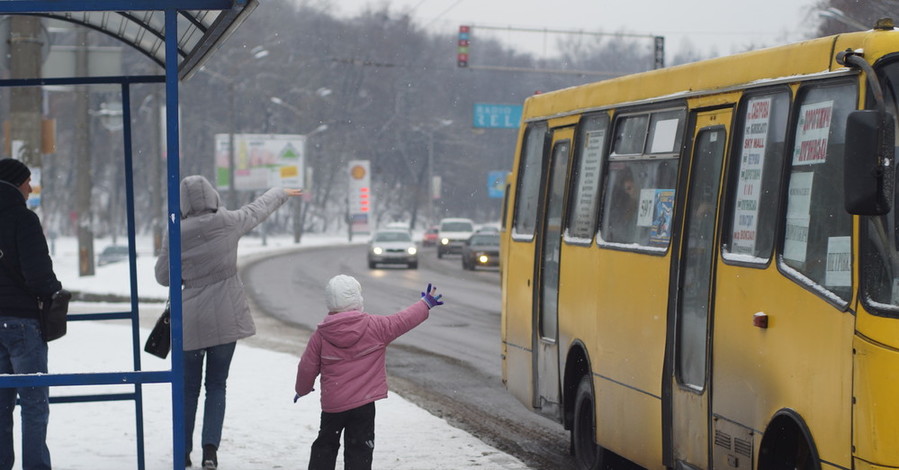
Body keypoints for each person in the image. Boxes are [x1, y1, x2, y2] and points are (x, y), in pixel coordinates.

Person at [154, 175, 302, 469]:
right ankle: (210, 451)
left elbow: (162, 277)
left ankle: (182, 451)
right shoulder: (230, 222)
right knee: (217, 386)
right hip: (225, 318)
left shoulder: (175, 232)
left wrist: (186, 271)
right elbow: (259, 208)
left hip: (191, 322)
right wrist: (280, 192)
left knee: (189, 389)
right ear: (213, 197)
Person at [295, 275, 445, 470]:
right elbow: (403, 320)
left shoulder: (321, 335)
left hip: (334, 405)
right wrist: (425, 303)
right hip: (363, 404)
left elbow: (307, 366)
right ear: (357, 299)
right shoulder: (376, 327)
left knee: (326, 444)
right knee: (360, 448)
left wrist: (302, 389)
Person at [0, 158, 61, 470]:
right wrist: (55, 290)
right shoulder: (24, 219)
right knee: (34, 404)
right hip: (22, 323)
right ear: (15, 184)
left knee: (0, 405)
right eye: (26, 182)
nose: (30, 188)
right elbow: (38, 276)